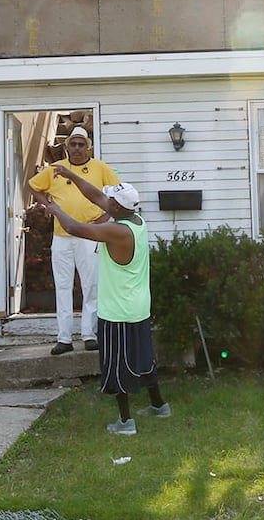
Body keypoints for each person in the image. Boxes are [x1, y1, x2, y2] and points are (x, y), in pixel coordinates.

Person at [40, 171, 169, 435]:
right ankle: (159, 405)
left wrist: (54, 209)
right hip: (138, 307)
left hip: (118, 311)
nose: (105, 201)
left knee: (119, 366)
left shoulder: (116, 231)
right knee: (144, 359)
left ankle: (125, 422)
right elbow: (96, 195)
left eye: (110, 200)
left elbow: (76, 229)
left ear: (118, 207)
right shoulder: (136, 221)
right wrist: (69, 174)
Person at [26, 126, 120, 355]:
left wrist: (105, 217)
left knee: (91, 285)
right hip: (62, 236)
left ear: (88, 146)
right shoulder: (56, 169)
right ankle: (64, 338)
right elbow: (33, 185)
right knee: (63, 286)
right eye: (73, 144)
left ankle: (89, 334)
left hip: (89, 234)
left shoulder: (100, 168)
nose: (77, 148)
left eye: (81, 144)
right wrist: (49, 206)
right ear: (66, 146)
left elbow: (118, 191)